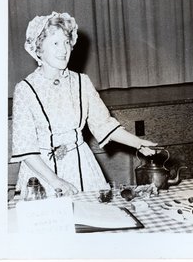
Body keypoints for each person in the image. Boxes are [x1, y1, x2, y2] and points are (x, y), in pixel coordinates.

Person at [10, 12, 157, 198]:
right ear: (38, 49)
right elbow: (25, 149)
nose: (63, 49)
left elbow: (104, 124)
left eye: (66, 42)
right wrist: (56, 181)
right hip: (43, 174)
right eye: (55, 43)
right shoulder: (25, 89)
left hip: (82, 168)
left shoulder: (82, 82)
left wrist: (138, 143)